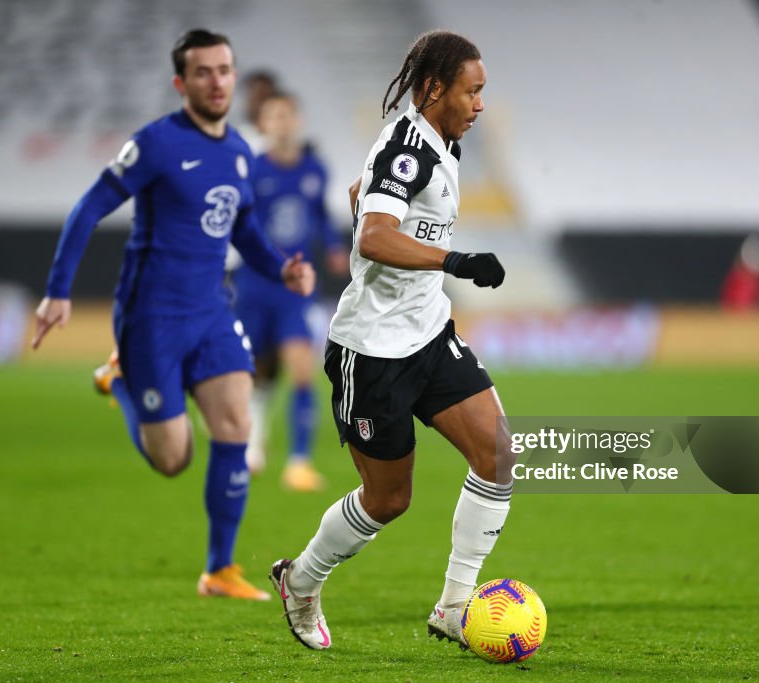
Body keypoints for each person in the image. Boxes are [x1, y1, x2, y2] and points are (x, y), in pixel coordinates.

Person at [31, 29, 315, 601]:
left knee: (234, 425)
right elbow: (89, 207)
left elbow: (245, 231)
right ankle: (121, 380)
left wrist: (282, 268)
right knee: (174, 459)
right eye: (203, 72)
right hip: (151, 319)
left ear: (235, 77)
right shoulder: (157, 144)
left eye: (225, 70)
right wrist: (58, 290)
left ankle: (219, 570)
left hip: (212, 311)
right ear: (181, 82)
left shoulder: (239, 151)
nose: (216, 81)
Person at [269, 30, 508, 651]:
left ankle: (455, 608)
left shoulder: (441, 142)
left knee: (497, 456)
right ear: (435, 89)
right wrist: (454, 261)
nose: (481, 104)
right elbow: (374, 235)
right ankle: (301, 579)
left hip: (427, 333)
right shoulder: (410, 148)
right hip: (372, 351)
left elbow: (361, 196)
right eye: (472, 91)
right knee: (388, 499)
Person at [233, 91, 349, 491]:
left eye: (286, 115)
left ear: (296, 120)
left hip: (295, 288)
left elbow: (318, 215)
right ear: (263, 125)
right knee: (255, 372)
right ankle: (251, 444)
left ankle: (299, 463)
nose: (281, 123)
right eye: (273, 116)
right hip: (255, 283)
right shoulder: (251, 169)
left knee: (302, 371)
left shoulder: (314, 169)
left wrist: (334, 246)